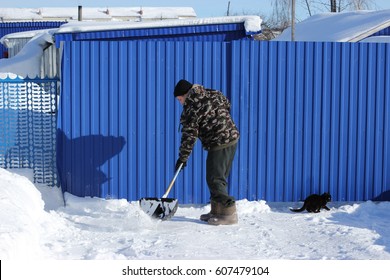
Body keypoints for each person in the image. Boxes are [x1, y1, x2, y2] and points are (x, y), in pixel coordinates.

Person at [174, 79, 240, 225]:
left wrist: (182, 158)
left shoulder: (191, 106)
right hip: (231, 137)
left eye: (180, 99)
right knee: (218, 176)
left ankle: (228, 213)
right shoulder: (211, 92)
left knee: (215, 178)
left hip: (219, 142)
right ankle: (217, 211)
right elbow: (227, 104)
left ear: (185, 94)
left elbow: (189, 136)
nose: (180, 102)